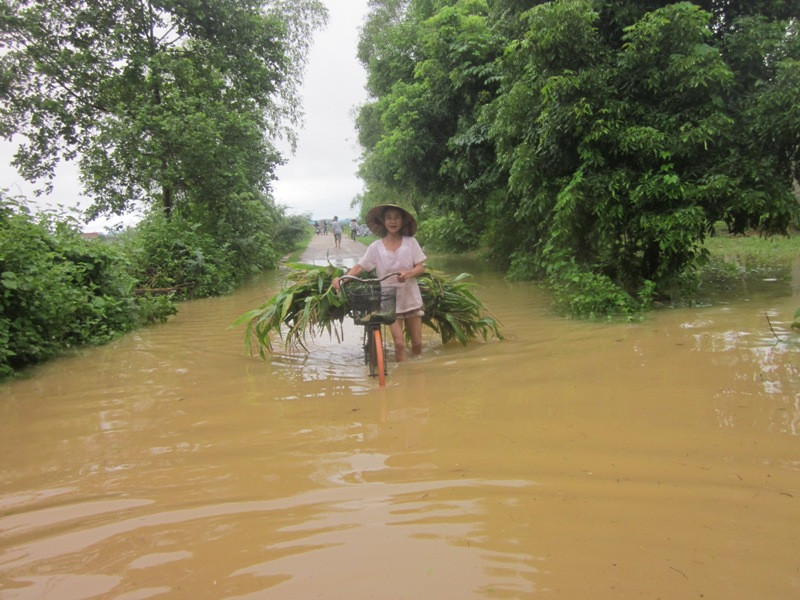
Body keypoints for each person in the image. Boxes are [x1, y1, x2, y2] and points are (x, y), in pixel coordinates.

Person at [333, 205, 426, 361]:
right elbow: (359, 267)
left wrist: (408, 273)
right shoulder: (375, 247)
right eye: (388, 217)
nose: (393, 221)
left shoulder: (411, 243)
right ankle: (402, 379)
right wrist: (342, 279)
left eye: (397, 217)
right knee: (399, 344)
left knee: (417, 344)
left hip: (411, 299)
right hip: (389, 301)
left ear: (402, 221)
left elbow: (421, 268)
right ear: (383, 221)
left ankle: (417, 375)